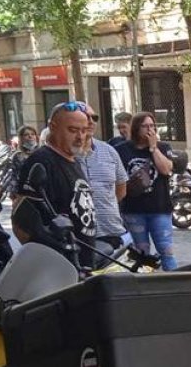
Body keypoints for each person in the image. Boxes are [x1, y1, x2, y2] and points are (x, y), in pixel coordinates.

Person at [12, 102, 97, 264]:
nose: (80, 137)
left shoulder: (73, 160)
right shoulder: (41, 162)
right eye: (72, 130)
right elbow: (21, 223)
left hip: (82, 261)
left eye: (84, 130)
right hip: (59, 265)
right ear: (53, 127)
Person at [116, 112, 178, 270]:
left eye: (152, 126)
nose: (149, 129)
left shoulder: (163, 147)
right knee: (141, 253)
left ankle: (175, 284)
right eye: (145, 126)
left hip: (159, 209)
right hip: (133, 210)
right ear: (136, 128)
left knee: (166, 250)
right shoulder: (122, 150)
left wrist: (153, 148)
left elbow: (165, 169)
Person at [76, 104, 129, 250]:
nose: (91, 121)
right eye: (86, 117)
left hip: (110, 230)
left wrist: (102, 204)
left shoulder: (109, 151)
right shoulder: (63, 154)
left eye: (95, 117)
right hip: (77, 235)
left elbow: (121, 189)